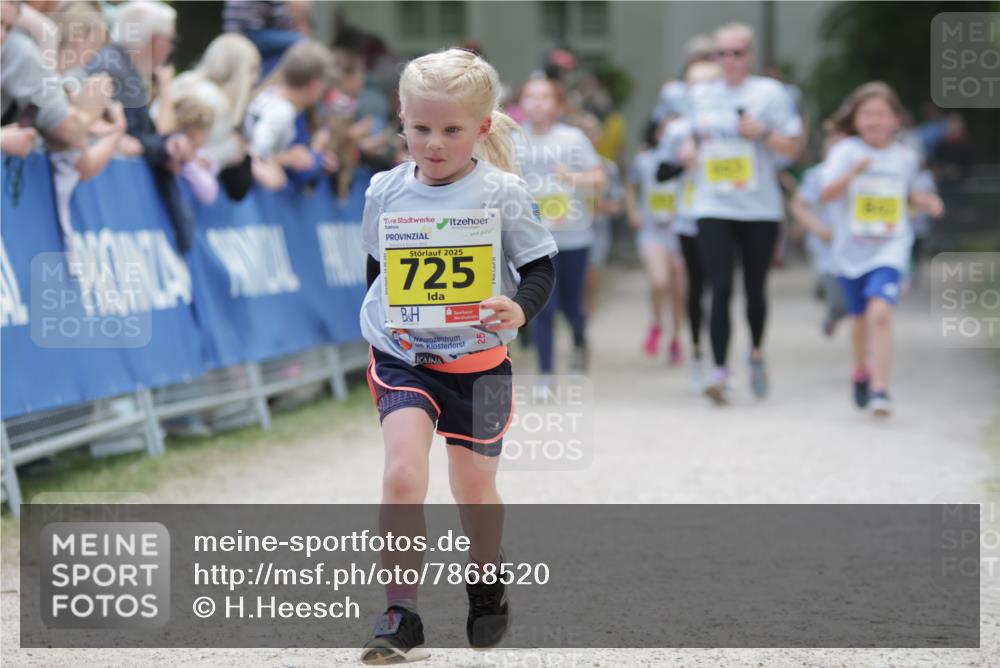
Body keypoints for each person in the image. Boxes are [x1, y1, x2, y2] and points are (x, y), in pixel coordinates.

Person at [358, 48, 556, 663]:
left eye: (451, 130)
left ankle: (487, 581)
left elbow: (540, 267)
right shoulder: (385, 190)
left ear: (482, 129)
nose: (434, 143)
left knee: (474, 491)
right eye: (420, 129)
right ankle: (401, 612)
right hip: (404, 357)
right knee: (402, 474)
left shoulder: (503, 192)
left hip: (480, 365)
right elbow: (377, 269)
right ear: (401, 121)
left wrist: (518, 309)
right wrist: (395, 323)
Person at [678, 22, 803, 404]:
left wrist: (763, 134)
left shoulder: (770, 93)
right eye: (722, 53)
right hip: (712, 204)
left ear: (750, 57)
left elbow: (793, 150)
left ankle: (757, 353)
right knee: (719, 286)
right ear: (713, 58)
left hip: (759, 207)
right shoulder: (700, 94)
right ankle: (720, 371)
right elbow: (688, 136)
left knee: (754, 288)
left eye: (737, 53)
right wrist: (687, 149)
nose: (729, 60)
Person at [819, 82, 944, 417]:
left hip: (890, 247)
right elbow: (826, 194)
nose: (874, 121)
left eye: (881, 114)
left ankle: (880, 389)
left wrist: (928, 202)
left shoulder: (905, 157)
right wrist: (852, 173)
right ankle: (860, 369)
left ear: (896, 121)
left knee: (880, 314)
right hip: (851, 251)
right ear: (856, 119)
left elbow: (910, 193)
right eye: (867, 114)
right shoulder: (845, 152)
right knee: (859, 319)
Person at [515, 75, 607, 379]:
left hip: (572, 236)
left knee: (571, 304)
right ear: (522, 103)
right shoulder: (513, 140)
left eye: (545, 97)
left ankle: (580, 340)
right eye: (531, 96)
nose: (537, 103)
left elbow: (600, 178)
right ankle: (545, 371)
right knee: (543, 305)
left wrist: (573, 178)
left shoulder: (573, 139)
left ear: (558, 105)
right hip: (534, 237)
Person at [627, 118, 686, 364]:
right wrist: (633, 211)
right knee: (660, 281)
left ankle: (676, 339)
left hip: (682, 231)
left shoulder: (689, 159)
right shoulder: (644, 160)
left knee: (680, 289)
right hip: (652, 231)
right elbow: (630, 186)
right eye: (665, 129)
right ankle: (656, 323)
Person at [790, 121, 848, 337]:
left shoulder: (863, 172)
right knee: (839, 302)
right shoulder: (817, 175)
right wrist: (819, 230)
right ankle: (833, 311)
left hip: (857, 245)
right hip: (827, 247)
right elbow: (799, 205)